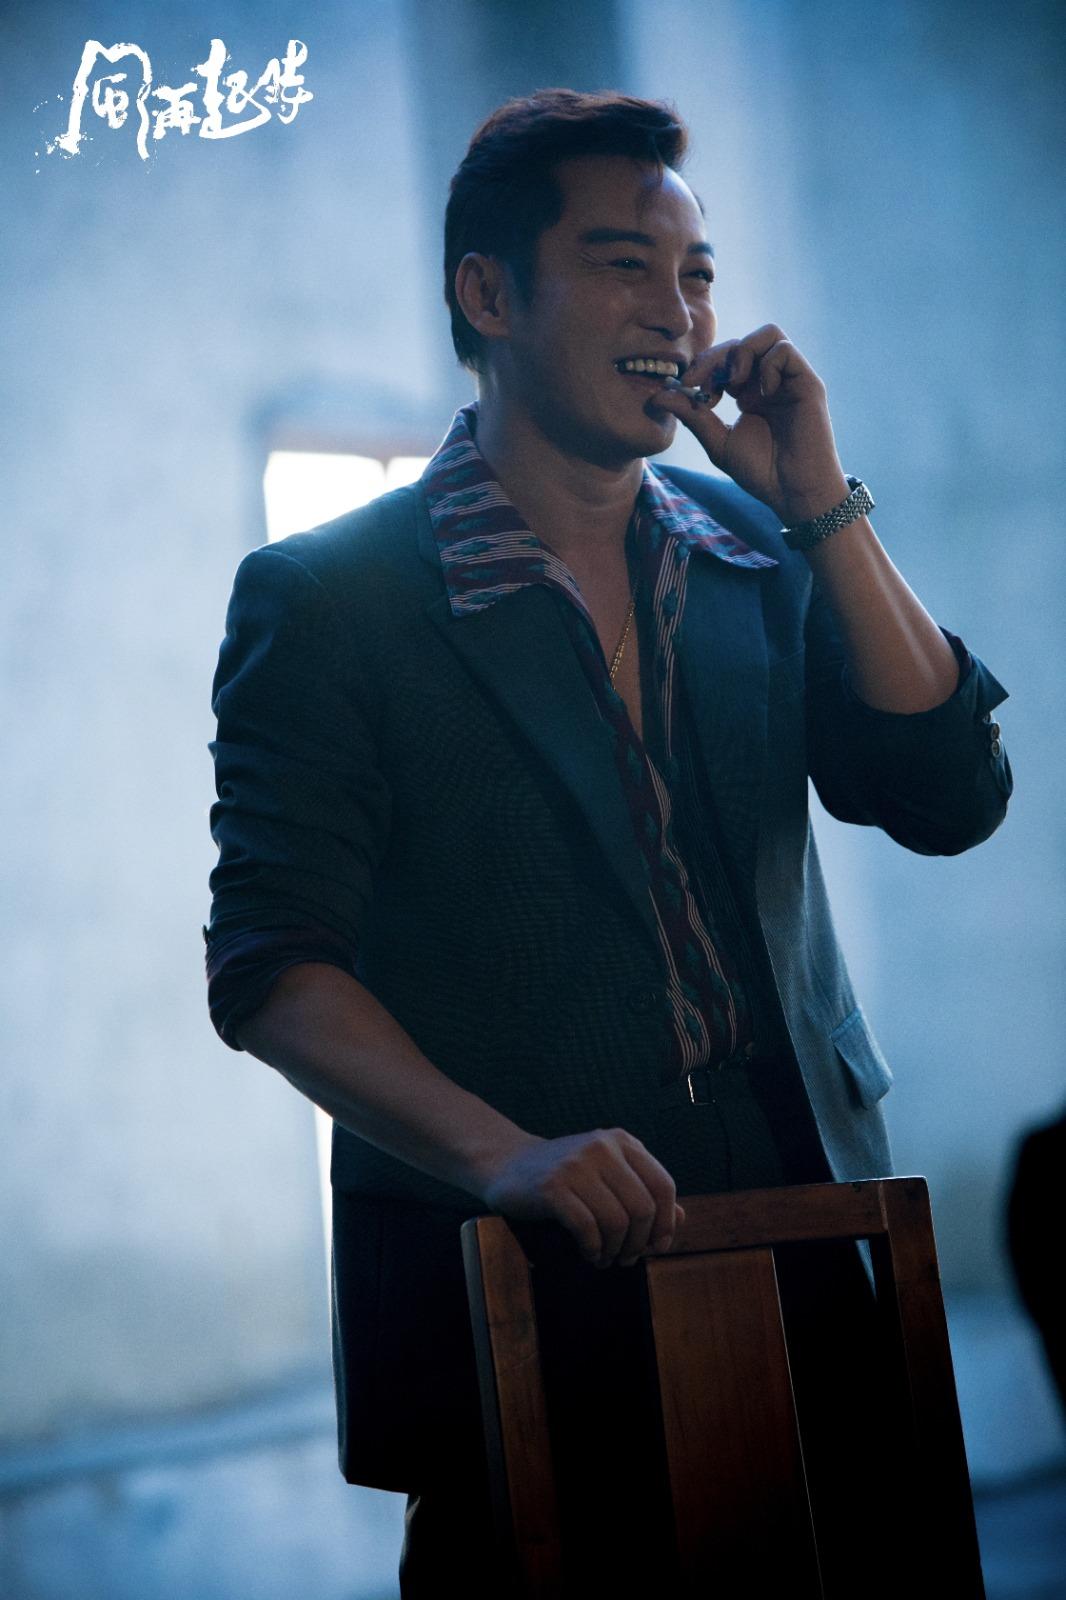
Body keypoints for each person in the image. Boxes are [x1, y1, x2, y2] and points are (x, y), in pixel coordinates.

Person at [204, 90, 1012, 1596]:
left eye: (696, 274)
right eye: (623, 264)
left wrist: (822, 506)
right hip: (516, 1279)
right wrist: (505, 1155)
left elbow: (950, 799)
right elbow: (269, 964)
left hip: (812, 1234)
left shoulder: (756, 546)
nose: (677, 311)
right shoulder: (331, 600)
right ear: (487, 292)